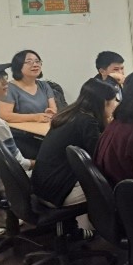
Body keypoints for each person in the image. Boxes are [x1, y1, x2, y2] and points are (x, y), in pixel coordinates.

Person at [32, 79, 118, 212]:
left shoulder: (70, 114)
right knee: (113, 189)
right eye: (114, 100)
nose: (116, 104)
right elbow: (100, 158)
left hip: (42, 187)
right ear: (104, 103)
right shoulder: (87, 121)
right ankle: (96, 223)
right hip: (57, 192)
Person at [0, 59, 35, 240]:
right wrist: (40, 163)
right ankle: (72, 231)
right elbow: (20, 165)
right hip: (9, 184)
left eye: (4, 75)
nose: (5, 81)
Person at [0, 49, 58, 158]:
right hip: (20, 136)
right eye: (29, 62)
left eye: (37, 61)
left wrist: (51, 112)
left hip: (43, 132)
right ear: (18, 66)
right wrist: (35, 117)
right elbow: (4, 115)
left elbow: (53, 108)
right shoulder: (9, 88)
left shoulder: (44, 86)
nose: (35, 65)